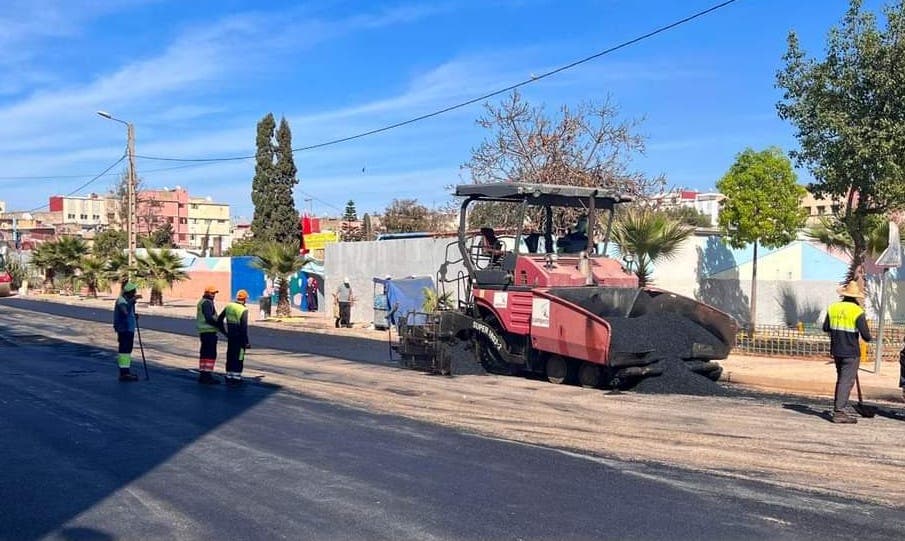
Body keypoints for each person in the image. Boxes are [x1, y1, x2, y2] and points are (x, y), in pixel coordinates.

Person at [822, 281, 872, 424]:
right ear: (856, 297)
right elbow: (866, 336)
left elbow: (826, 327)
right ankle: (839, 412)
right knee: (846, 380)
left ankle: (839, 406)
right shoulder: (857, 311)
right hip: (851, 352)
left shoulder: (833, 308)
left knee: (841, 379)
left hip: (837, 350)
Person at [218, 290, 251, 386]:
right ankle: (236, 377)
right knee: (239, 357)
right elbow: (243, 328)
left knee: (230, 355)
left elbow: (220, 319)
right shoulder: (243, 309)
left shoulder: (229, 306)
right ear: (244, 299)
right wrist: (246, 342)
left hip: (231, 337)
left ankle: (229, 375)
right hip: (239, 339)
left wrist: (224, 332)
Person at [112, 282, 141, 382]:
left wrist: (134, 316)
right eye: (133, 293)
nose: (134, 295)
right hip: (124, 329)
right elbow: (124, 312)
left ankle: (126, 371)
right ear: (129, 293)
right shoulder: (121, 301)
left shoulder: (126, 300)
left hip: (128, 329)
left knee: (127, 351)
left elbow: (128, 313)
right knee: (124, 351)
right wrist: (132, 301)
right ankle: (124, 373)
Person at [196, 285, 224, 385]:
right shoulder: (206, 303)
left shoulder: (203, 302)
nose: (213, 295)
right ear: (207, 293)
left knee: (204, 354)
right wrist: (218, 324)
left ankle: (203, 374)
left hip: (204, 332)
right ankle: (207, 375)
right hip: (209, 332)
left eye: (214, 293)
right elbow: (208, 318)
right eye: (212, 293)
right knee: (210, 354)